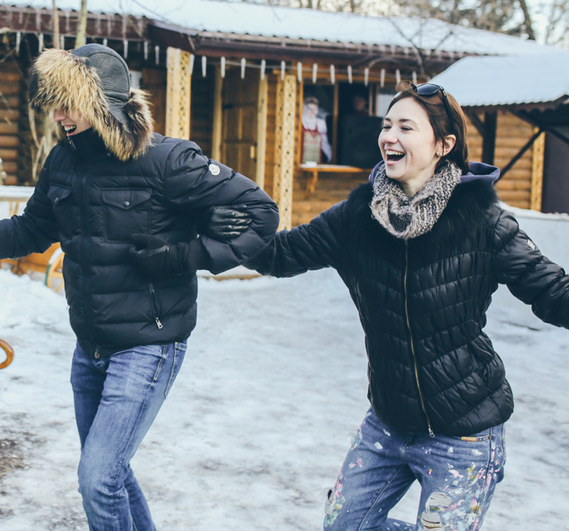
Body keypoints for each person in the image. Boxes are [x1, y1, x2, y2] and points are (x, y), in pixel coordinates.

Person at [0, 44, 279, 531]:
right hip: (90, 344)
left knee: (97, 479)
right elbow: (32, 228)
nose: (59, 114)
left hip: (149, 344)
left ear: (102, 102)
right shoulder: (63, 161)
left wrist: (184, 255)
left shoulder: (167, 160)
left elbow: (261, 214)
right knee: (110, 472)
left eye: (68, 101)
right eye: (54, 101)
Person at [244, 81, 569, 529]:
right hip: (388, 423)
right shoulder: (356, 218)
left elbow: (551, 290)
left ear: (443, 144)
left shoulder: (483, 221)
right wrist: (214, 215)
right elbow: (279, 254)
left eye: (405, 127)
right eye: (386, 125)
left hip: (465, 432)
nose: (389, 137)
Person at [301, 95, 331, 164]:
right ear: (305, 109)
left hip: (316, 157)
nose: (311, 111)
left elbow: (324, 141)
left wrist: (329, 156)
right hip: (302, 157)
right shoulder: (301, 122)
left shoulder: (321, 123)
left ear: (317, 110)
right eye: (309, 108)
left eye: (314, 109)